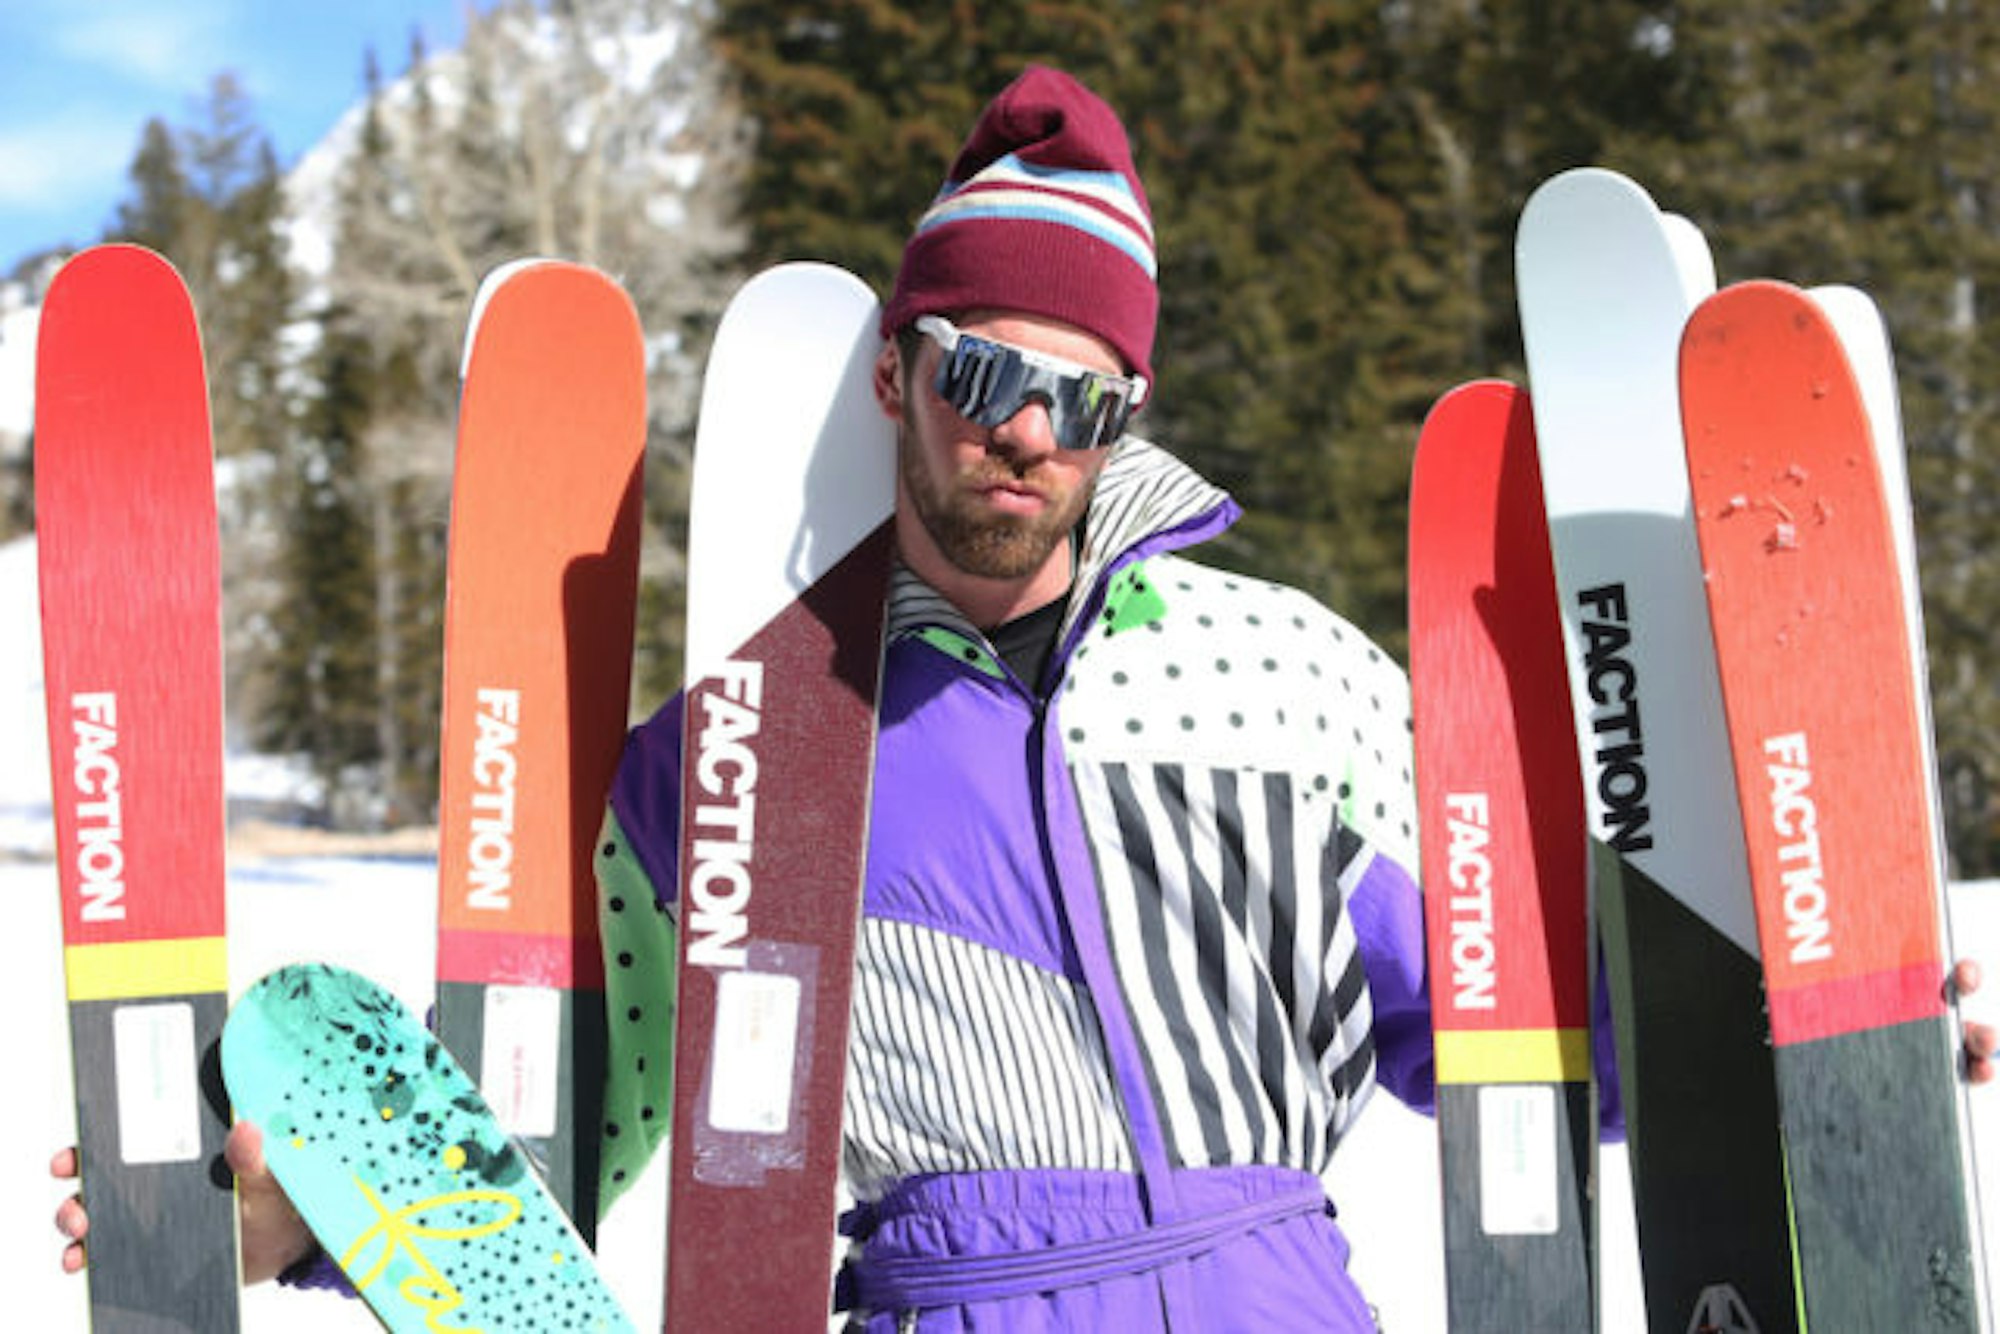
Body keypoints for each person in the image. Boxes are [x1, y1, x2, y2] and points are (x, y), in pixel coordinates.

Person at [53, 64, 2000, 1328]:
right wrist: (304, 1213)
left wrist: (1825, 1034)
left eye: (1081, 398)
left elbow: (1497, 1024)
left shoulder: (1289, 680)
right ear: (898, 370)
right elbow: (578, 1118)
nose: (1026, 435)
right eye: (984, 374)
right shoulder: (747, 748)